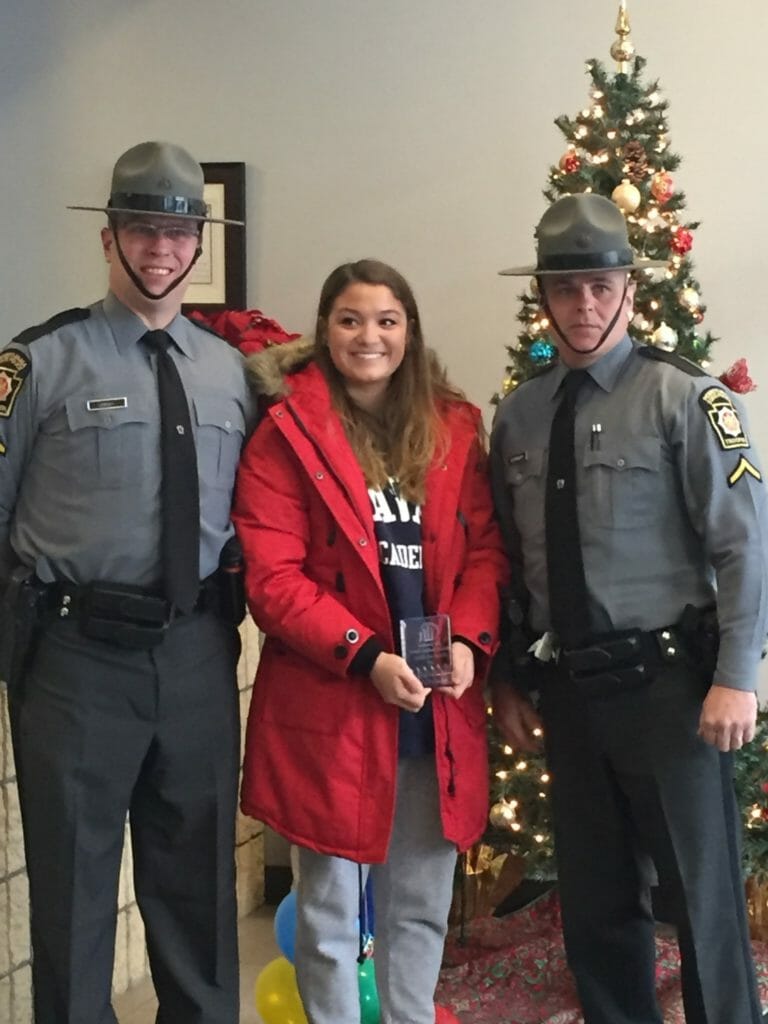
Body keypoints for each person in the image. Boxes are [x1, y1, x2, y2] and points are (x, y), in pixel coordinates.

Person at [489, 192, 768, 1024]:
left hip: (671, 694)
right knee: (597, 905)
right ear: (543, 295)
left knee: (703, 900)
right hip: (570, 694)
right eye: (567, 289)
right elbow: (508, 561)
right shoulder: (520, 414)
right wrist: (507, 677)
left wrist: (737, 677)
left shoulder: (687, 399)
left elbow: (745, 547)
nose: (585, 306)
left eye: (602, 287)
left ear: (631, 292)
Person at [0, 141, 256, 1024]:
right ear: (108, 240)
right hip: (75, 661)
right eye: (141, 227)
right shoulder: (36, 364)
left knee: (199, 886)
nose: (160, 246)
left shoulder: (230, 372)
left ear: (197, 245)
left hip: (193, 657)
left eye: (178, 229)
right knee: (73, 891)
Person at [232, 258, 508, 1024]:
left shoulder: (453, 427)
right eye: (351, 319)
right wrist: (364, 655)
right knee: (327, 913)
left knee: (418, 903)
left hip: (435, 705)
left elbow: (485, 551)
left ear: (409, 333)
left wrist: (471, 646)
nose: (369, 336)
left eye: (387, 320)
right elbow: (274, 577)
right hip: (334, 701)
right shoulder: (285, 432)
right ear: (325, 329)